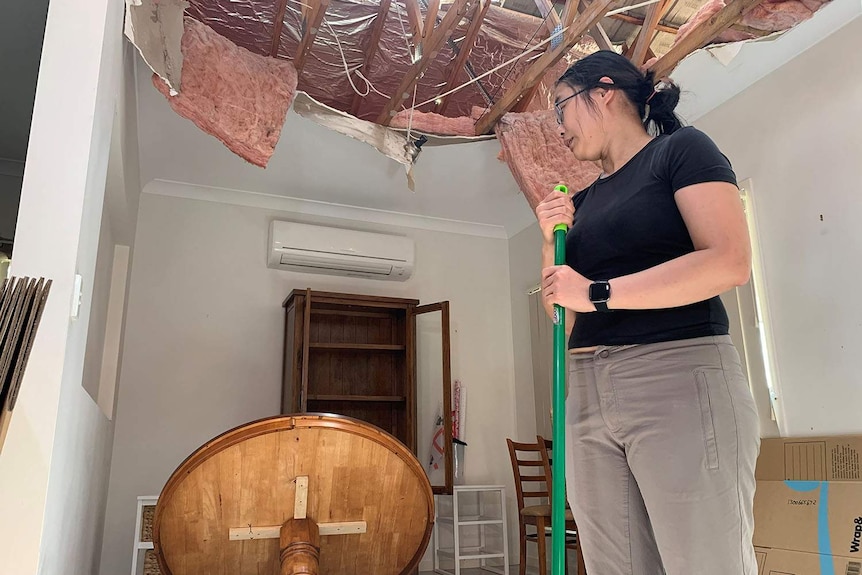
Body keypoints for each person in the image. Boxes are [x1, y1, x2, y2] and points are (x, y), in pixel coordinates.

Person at [535, 50, 761, 575]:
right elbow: (563, 318)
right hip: (588, 387)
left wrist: (596, 291)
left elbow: (730, 261)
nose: (558, 129)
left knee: (706, 562)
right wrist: (551, 246)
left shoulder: (680, 151)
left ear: (604, 90)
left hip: (676, 375)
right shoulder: (583, 203)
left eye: (560, 108)